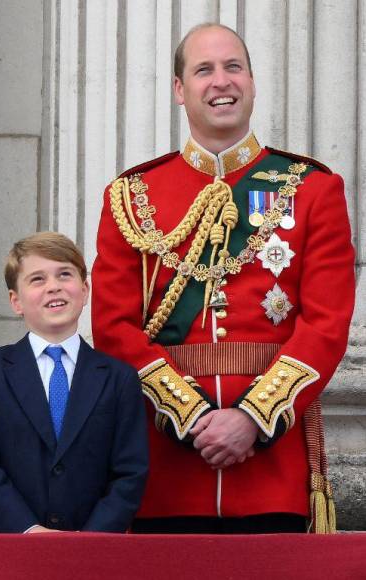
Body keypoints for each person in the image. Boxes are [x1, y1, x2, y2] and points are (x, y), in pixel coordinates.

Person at [91, 23, 355, 533]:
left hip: (271, 469)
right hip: (165, 473)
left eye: (233, 67)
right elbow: (113, 328)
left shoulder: (313, 189)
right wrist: (191, 418)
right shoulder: (131, 195)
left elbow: (326, 325)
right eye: (204, 70)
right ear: (178, 89)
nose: (221, 81)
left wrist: (252, 419)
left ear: (252, 82)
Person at [0, 232, 148, 533]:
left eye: (64, 274)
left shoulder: (118, 377)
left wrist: (90, 539)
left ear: (84, 291)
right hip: (6, 544)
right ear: (16, 301)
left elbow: (130, 472)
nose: (54, 286)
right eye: (37, 279)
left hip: (91, 549)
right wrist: (28, 529)